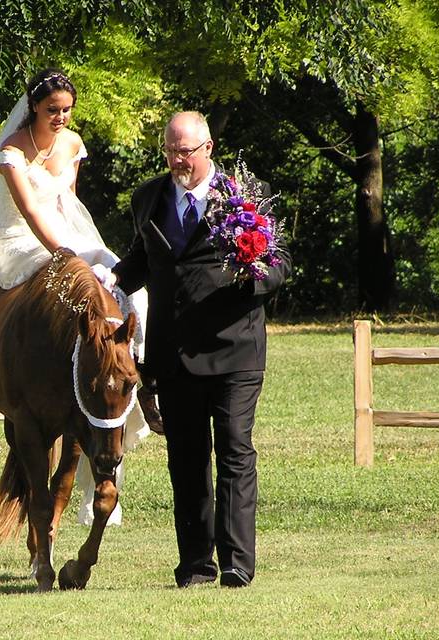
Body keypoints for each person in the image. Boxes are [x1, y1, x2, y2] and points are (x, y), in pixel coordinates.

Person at [0, 69, 156, 525]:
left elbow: (67, 203)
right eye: (52, 109)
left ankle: (138, 380)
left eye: (67, 110)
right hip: (21, 243)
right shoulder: (12, 151)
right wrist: (67, 259)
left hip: (69, 234)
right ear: (34, 106)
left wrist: (86, 254)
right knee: (71, 283)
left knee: (136, 292)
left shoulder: (72, 145)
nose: (60, 117)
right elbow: (32, 211)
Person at [111, 111, 291, 588]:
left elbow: (280, 264)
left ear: (208, 148)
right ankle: (195, 565)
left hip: (235, 351)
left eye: (185, 152)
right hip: (174, 356)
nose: (176, 160)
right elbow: (140, 260)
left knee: (235, 453)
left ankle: (236, 564)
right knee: (187, 462)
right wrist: (108, 285)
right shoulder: (148, 198)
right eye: (169, 151)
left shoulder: (245, 196)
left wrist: (257, 278)